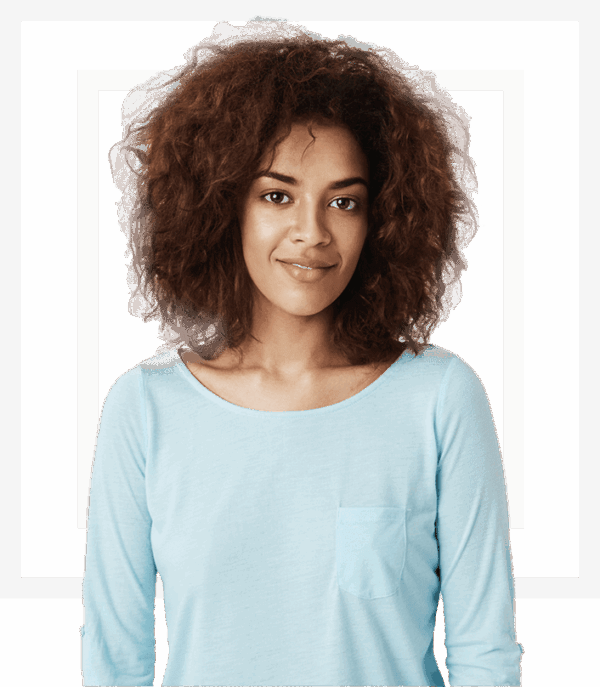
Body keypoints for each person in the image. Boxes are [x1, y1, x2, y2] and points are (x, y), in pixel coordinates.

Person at [81, 20, 525, 687]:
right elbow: (114, 664)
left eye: (343, 201)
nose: (312, 232)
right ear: (222, 206)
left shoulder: (438, 398)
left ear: (381, 219)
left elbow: (485, 655)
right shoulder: (146, 409)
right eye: (277, 195)